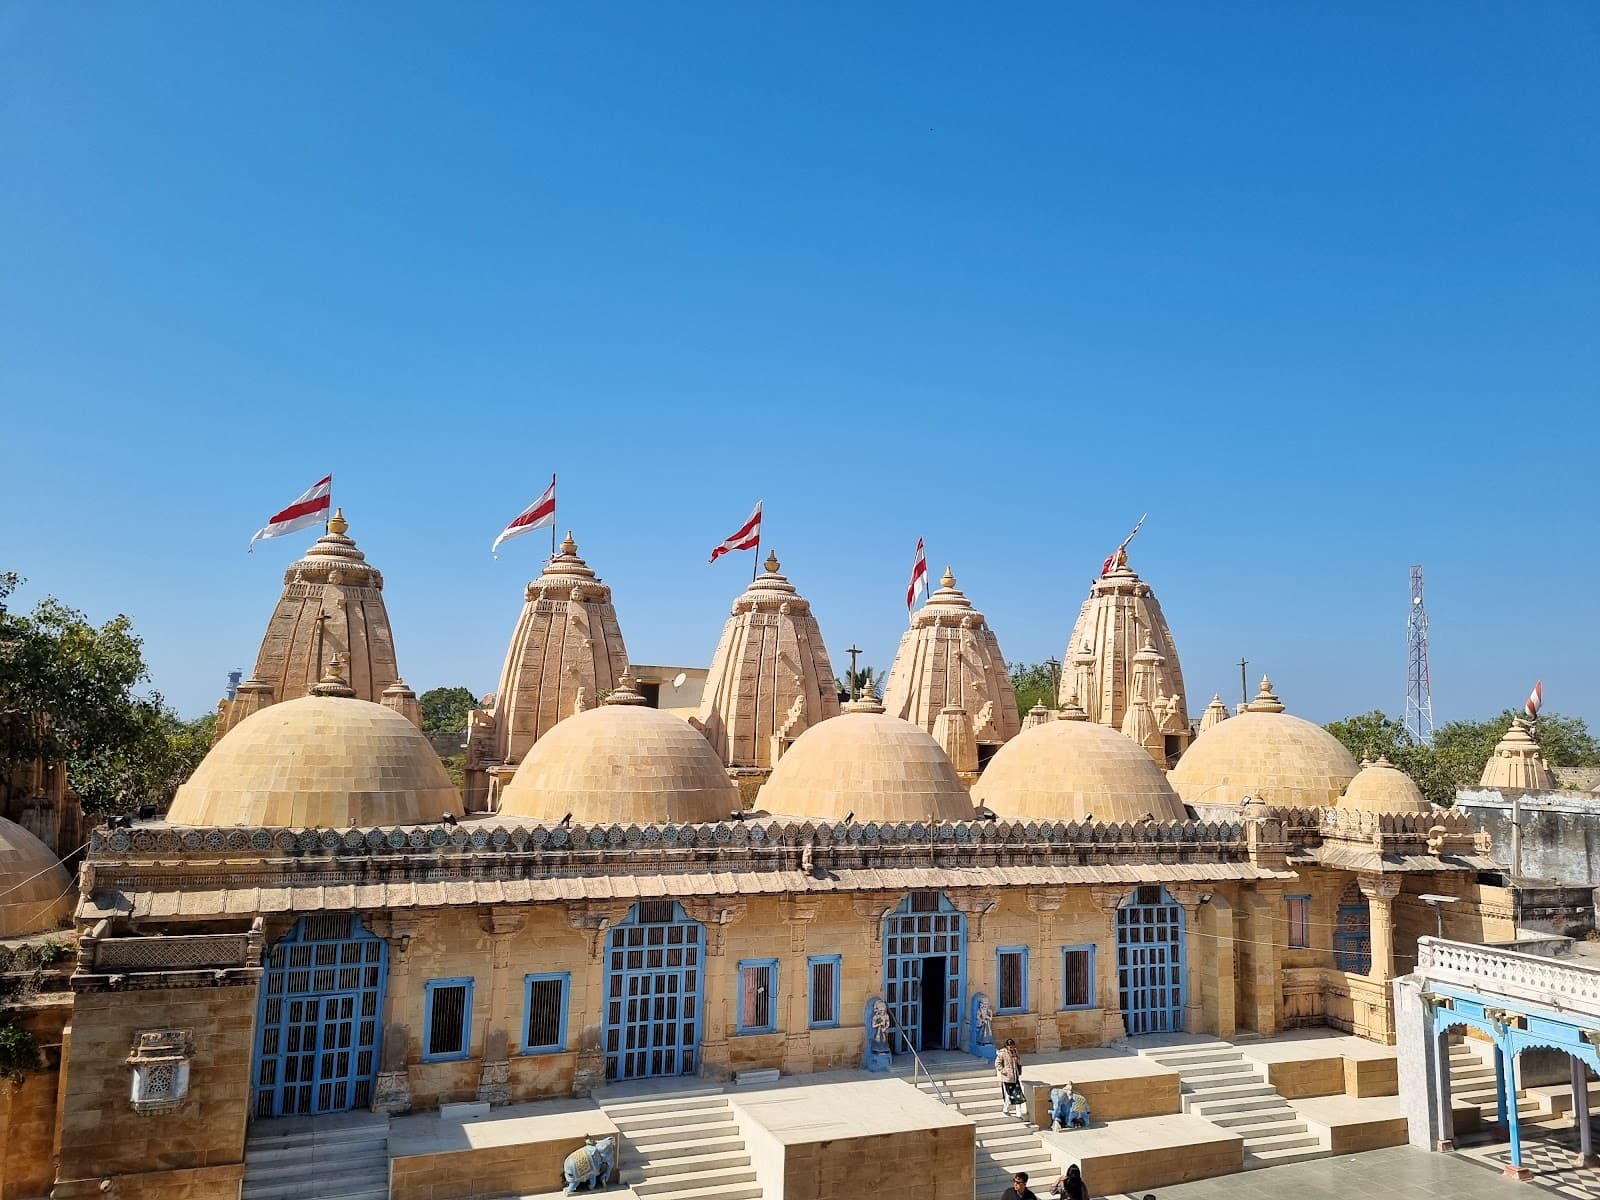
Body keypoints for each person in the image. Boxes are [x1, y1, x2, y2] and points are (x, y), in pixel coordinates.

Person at [995, 1037, 1025, 1118]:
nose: (1012, 1048)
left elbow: (1018, 1062)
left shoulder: (1015, 1052)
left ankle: (1019, 1113)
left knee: (1018, 1094)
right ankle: (1006, 1109)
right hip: (1007, 1078)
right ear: (1007, 1046)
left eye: (1013, 1046)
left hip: (1015, 1076)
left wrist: (1018, 1061)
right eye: (1010, 1047)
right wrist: (1004, 1071)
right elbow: (998, 1064)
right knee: (1009, 1095)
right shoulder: (1002, 1053)